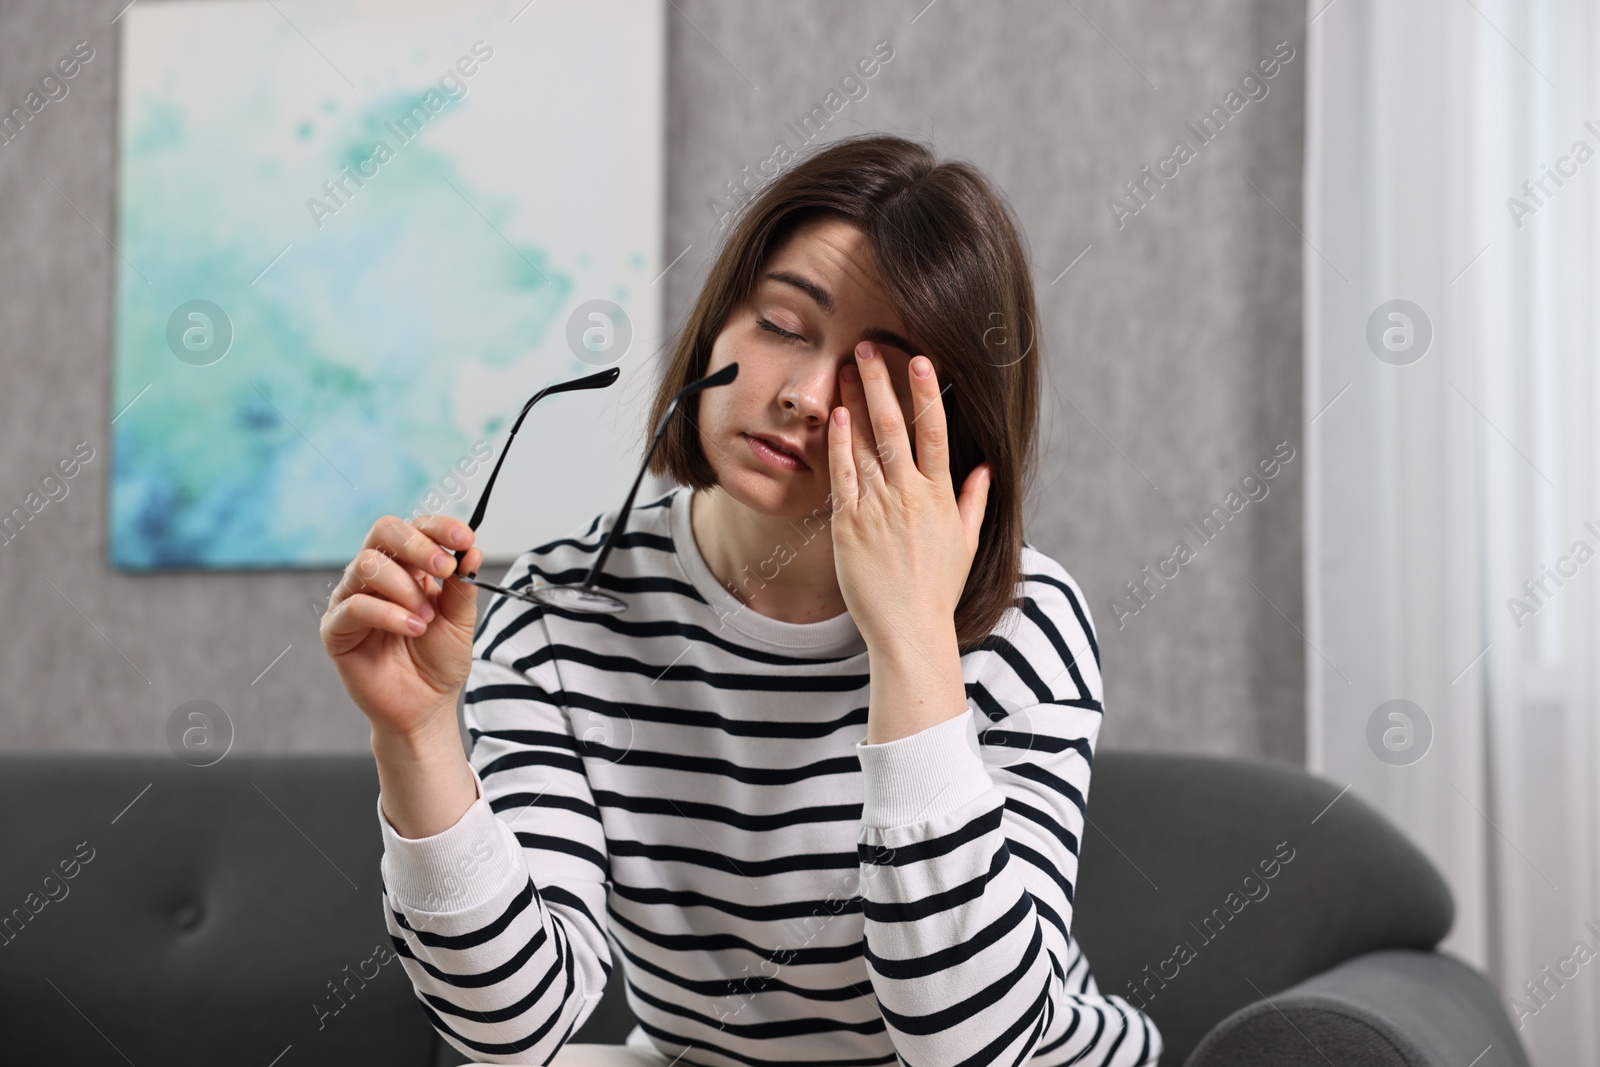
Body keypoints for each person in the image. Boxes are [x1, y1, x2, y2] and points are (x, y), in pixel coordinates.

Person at [320, 133, 1162, 1066]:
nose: (803, 395)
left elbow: (975, 1047)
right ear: (719, 323)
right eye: (784, 326)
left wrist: (913, 642)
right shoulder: (560, 613)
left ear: (946, 426)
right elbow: (511, 1025)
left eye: (869, 374)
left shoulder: (1020, 618)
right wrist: (417, 736)